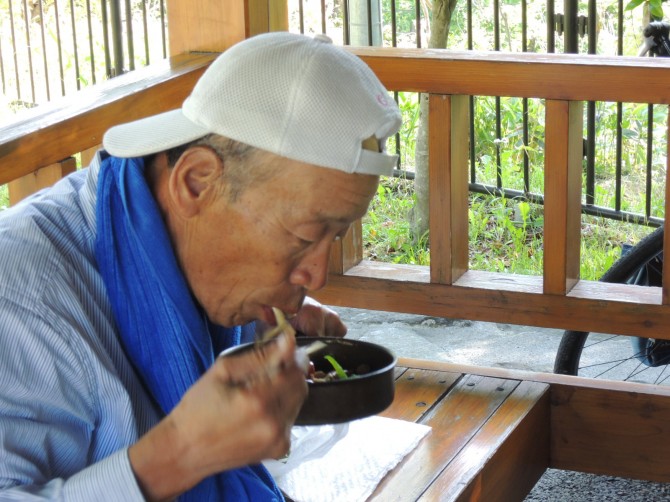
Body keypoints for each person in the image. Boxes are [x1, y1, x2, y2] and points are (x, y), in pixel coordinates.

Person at [0, 31, 401, 500]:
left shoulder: (160, 232)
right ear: (195, 182)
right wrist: (182, 453)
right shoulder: (21, 305)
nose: (317, 276)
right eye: (304, 236)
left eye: (336, 236)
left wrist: (262, 328)